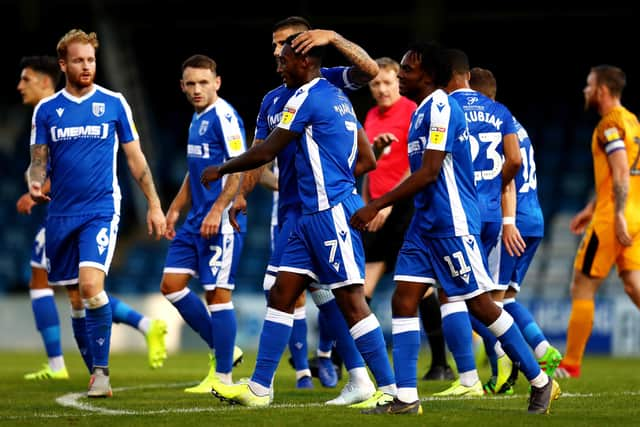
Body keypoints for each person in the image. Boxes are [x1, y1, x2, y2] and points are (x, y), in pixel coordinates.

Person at [350, 41, 560, 415]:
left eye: (407, 70)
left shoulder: (443, 108)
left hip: (452, 223)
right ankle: (407, 398)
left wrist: (377, 204)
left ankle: (541, 381)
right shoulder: (421, 111)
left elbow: (430, 171)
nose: (400, 75)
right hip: (425, 225)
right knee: (403, 299)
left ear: (429, 75)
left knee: (481, 305)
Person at [205, 33, 397, 409]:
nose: (278, 63)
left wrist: (223, 168)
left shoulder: (313, 93)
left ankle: (390, 388)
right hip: (300, 216)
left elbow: (268, 149)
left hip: (328, 213)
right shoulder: (296, 97)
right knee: (280, 292)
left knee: (350, 299)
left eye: (284, 57)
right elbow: (269, 152)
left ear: (307, 59)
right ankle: (262, 387)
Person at [27, 29, 167, 397]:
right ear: (63, 64)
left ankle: (102, 372)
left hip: (101, 209)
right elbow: (37, 162)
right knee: (74, 299)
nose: (87, 66)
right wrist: (35, 183)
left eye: (90, 59)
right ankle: (95, 372)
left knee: (91, 288)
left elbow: (135, 159)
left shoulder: (114, 102)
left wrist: (153, 203)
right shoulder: (47, 110)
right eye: (78, 60)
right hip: (60, 214)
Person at [432, 48, 523, 396]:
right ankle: (514, 361)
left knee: (452, 294)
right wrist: (494, 185)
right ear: (467, 75)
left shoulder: (445, 109)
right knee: (484, 296)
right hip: (492, 212)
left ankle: (475, 375)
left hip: (460, 211)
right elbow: (513, 161)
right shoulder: (500, 111)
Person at [361, 56, 453, 381]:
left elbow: (416, 164)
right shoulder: (371, 116)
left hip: (403, 208)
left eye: (387, 82)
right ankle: (354, 365)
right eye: (375, 84)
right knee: (360, 289)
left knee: (420, 288)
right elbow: (369, 163)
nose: (382, 89)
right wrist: (366, 198)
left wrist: (387, 203)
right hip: (376, 208)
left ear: (397, 82)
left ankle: (441, 363)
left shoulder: (413, 111)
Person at [468, 67, 563, 383]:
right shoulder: (515, 126)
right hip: (533, 218)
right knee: (506, 299)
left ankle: (503, 374)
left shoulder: (489, 128)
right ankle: (541, 349)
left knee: (488, 303)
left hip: (511, 219)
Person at [160, 54, 246, 393]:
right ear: (182, 86)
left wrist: (217, 210)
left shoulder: (224, 117)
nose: (197, 89)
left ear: (217, 82)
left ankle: (223, 377)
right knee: (171, 285)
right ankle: (227, 348)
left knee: (217, 295)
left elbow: (238, 167)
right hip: (195, 220)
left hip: (219, 222)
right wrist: (175, 208)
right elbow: (194, 171)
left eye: (203, 83)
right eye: (191, 84)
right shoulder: (196, 119)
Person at [556, 65, 640, 378]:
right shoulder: (632, 121)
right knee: (633, 285)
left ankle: (571, 364)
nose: (586, 90)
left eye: (589, 85)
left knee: (582, 287)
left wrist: (613, 213)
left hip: (612, 218)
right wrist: (592, 206)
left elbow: (620, 170)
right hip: (634, 213)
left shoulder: (608, 125)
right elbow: (628, 171)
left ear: (602, 90)